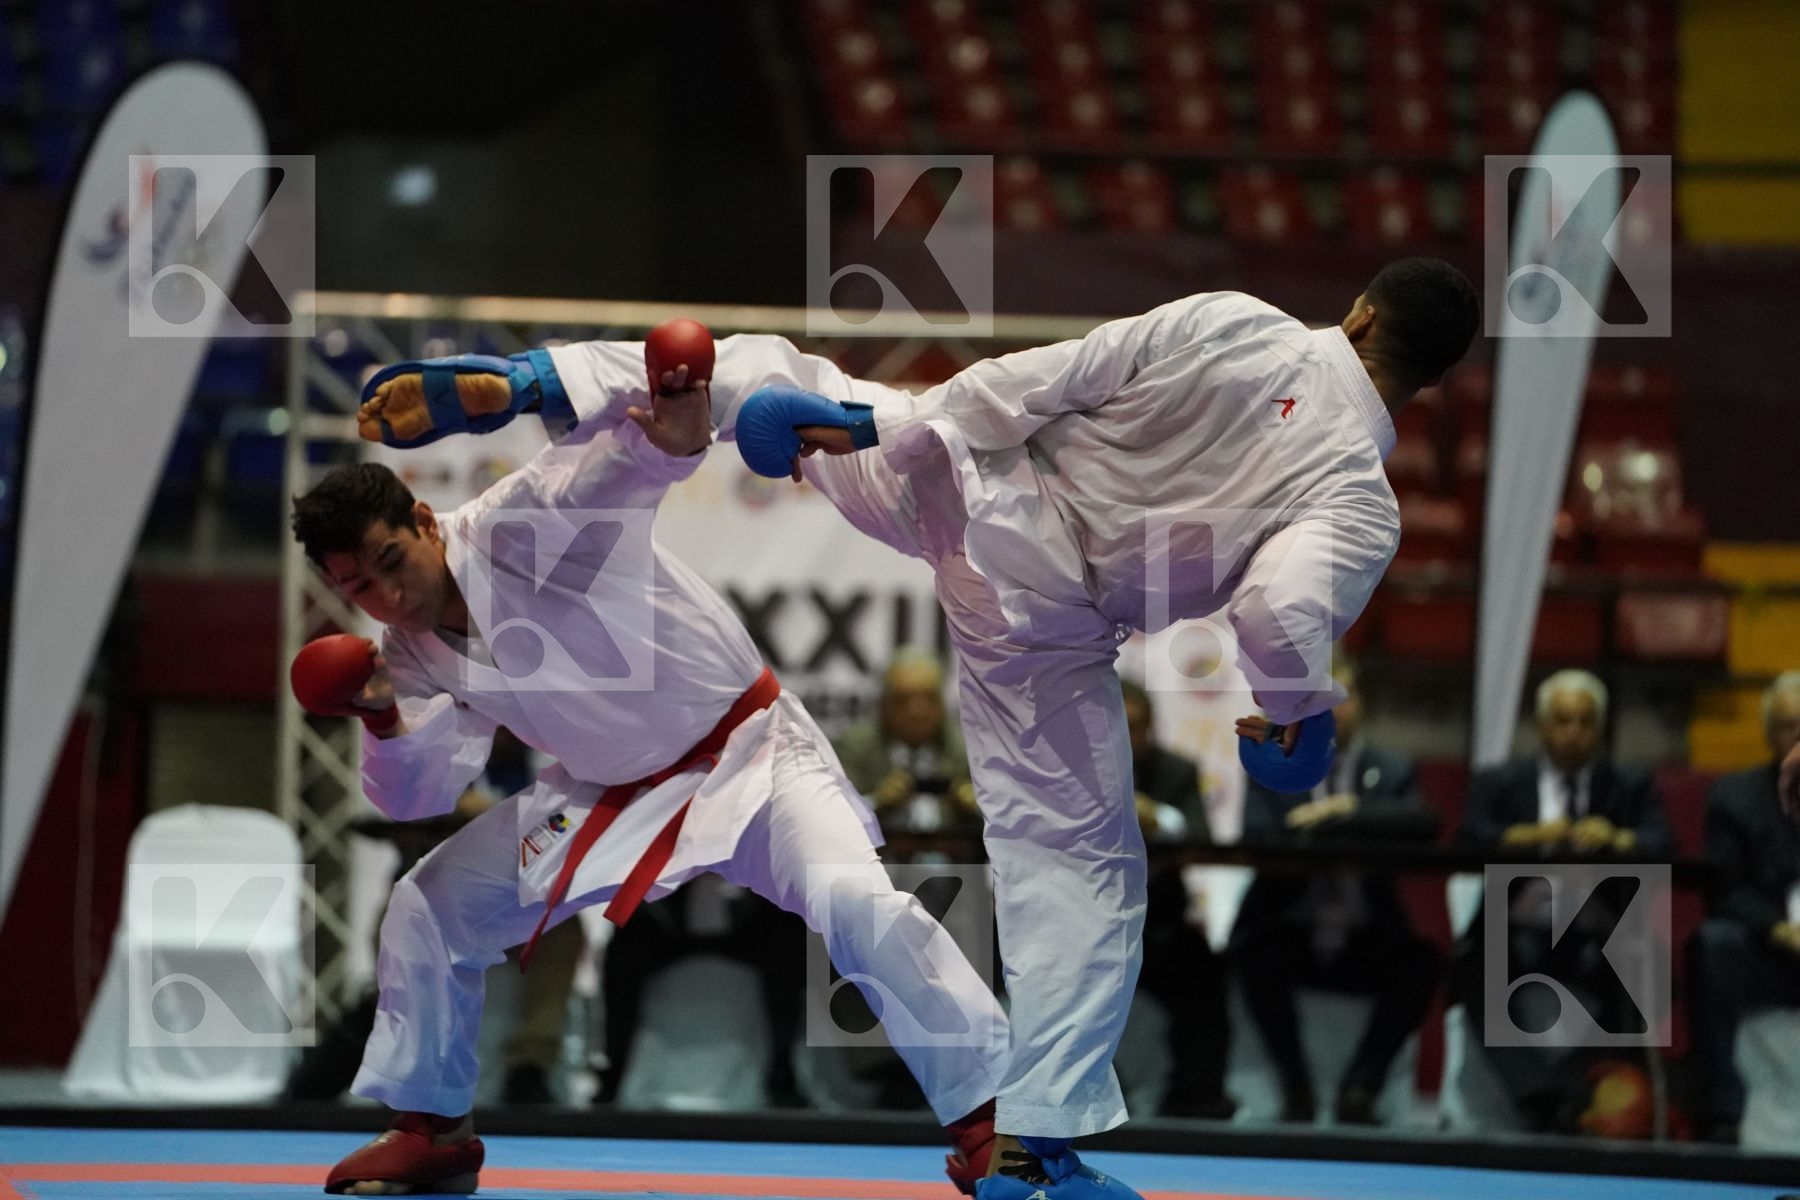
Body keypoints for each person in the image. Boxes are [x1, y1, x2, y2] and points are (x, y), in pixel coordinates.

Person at [357, 257, 1480, 1197]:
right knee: (1080, 865)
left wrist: (879, 425)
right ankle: (1031, 1138)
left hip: (974, 484)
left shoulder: (1240, 325)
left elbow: (1054, 377)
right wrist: (1297, 719)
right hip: (1049, 629)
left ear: (1364, 312)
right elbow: (1283, 617)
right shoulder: (1358, 496)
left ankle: (530, 380)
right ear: (1427, 379)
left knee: (759, 368)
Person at [294, 363, 1006, 1195]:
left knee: (856, 902)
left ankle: (995, 1126)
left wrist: (671, 429)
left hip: (752, 756)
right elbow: (419, 796)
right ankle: (433, 1132)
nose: (388, 595)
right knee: (433, 904)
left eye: (391, 562)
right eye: (359, 588)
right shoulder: (407, 655)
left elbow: (617, 468)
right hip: (604, 799)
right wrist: (380, 718)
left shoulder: (517, 527)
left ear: (423, 519)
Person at [1450, 668, 1673, 1133]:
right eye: (1563, 720)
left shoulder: (1626, 785)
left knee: (1652, 969)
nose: (1573, 733)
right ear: (1542, 724)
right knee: (1472, 968)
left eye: (1585, 722)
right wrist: (1523, 837)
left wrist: (1619, 839)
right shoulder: (1503, 781)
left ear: (1600, 726)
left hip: (1598, 930)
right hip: (1515, 931)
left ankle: (1571, 1092)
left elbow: (1663, 842)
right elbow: (1469, 836)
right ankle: (1541, 1101)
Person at [1229, 660, 1441, 1126]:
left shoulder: (1390, 769)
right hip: (1291, 927)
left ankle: (1360, 1088)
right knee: (1252, 955)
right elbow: (1258, 833)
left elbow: (1423, 823)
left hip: (1366, 933)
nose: (1334, 713)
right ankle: (1296, 1086)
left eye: (1342, 701)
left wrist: (1346, 813)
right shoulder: (1273, 757)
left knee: (1421, 962)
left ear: (1360, 705)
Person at [1688, 671, 1800, 1142]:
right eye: (1789, 727)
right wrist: (1780, 930)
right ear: (1767, 731)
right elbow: (1726, 889)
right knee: (1713, 944)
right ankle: (1721, 1112)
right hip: (1773, 954)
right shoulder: (1736, 797)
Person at [1119, 679, 1235, 1121]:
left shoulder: (1176, 771)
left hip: (1158, 925)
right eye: (1119, 725)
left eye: (1137, 726)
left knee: (1205, 966)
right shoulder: (1071, 772)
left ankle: (1196, 1094)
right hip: (1087, 927)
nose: (1129, 737)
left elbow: (1202, 842)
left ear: (1151, 727)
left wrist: (1159, 819)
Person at [835, 650, 981, 837]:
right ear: (884, 704)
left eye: (929, 698)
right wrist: (875, 801)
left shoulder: (969, 749)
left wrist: (976, 806)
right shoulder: (856, 748)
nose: (917, 711)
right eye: (903, 700)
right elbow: (833, 818)